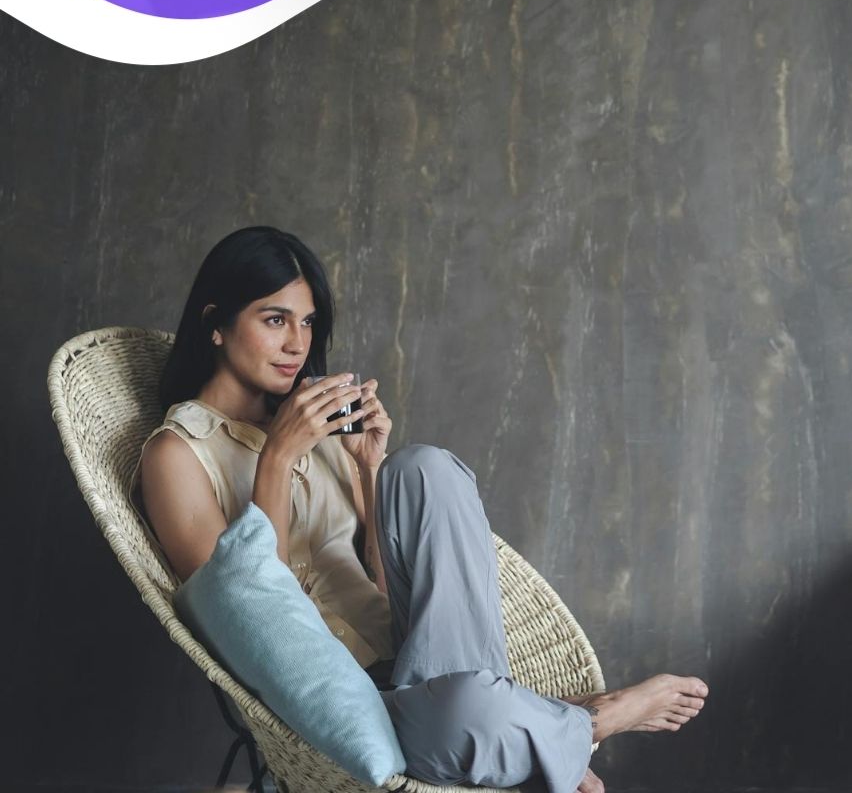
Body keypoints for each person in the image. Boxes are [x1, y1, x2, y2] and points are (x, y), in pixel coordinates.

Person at [136, 226, 708, 793]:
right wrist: (278, 459)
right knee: (460, 710)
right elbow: (254, 613)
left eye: (307, 321)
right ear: (216, 323)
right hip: (341, 699)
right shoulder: (176, 454)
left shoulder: (323, 431)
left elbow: (390, 590)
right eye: (274, 319)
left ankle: (506, 719)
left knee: (422, 468)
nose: (297, 344)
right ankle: (584, 720)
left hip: (416, 669)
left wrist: (366, 467)